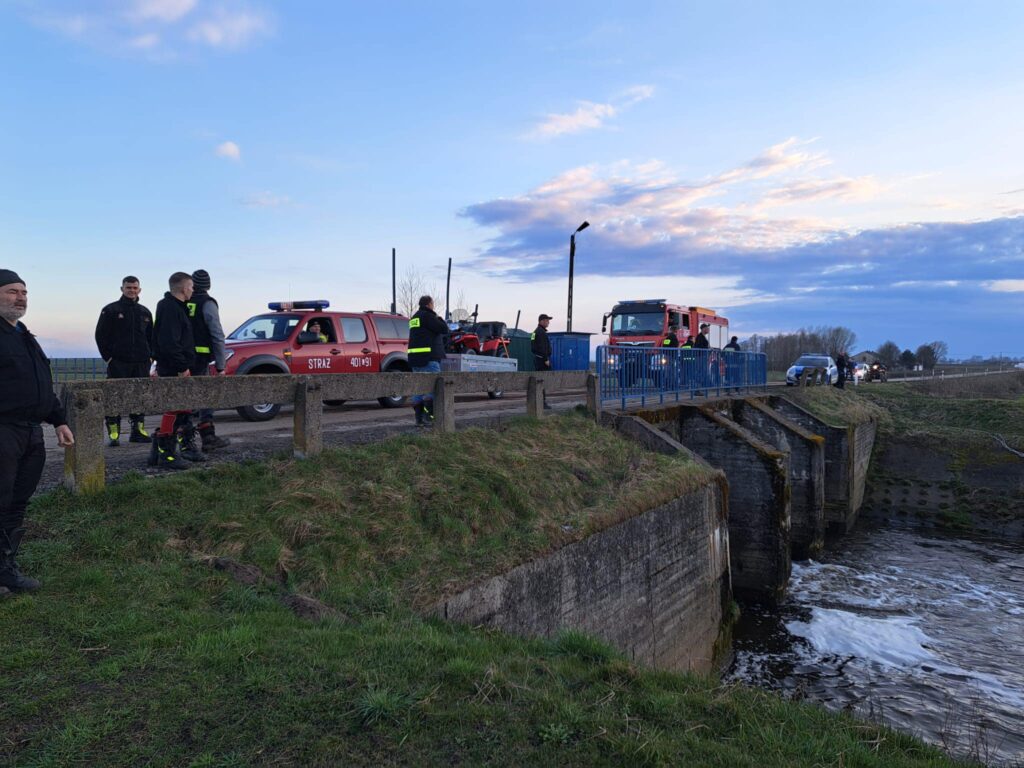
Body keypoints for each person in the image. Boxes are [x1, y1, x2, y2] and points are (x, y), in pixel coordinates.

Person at [0, 270, 75, 592]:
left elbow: (41, 383)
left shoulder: (24, 334)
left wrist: (59, 420)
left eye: (24, 292)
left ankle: (5, 569)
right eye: (12, 291)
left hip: (31, 433)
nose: (20, 298)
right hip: (4, 430)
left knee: (18, 502)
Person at [150, 272, 203, 468]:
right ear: (183, 288)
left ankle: (160, 452)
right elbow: (169, 341)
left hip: (177, 365)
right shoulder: (170, 308)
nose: (192, 290)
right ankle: (167, 454)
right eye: (191, 287)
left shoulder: (177, 307)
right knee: (174, 409)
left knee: (182, 409)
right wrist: (182, 367)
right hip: (174, 368)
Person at [95, 275, 153, 447]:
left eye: (135, 288)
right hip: (118, 362)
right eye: (128, 287)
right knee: (115, 395)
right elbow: (100, 335)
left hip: (141, 362)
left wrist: (151, 356)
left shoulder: (145, 312)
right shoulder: (110, 310)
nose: (132, 291)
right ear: (122, 289)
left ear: (139, 290)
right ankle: (114, 433)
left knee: (139, 396)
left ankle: (138, 431)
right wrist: (109, 358)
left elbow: (152, 336)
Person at [186, 269, 230, 452]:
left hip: (180, 358)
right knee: (206, 395)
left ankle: (184, 440)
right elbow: (217, 334)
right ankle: (208, 436)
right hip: (200, 359)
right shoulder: (207, 303)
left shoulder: (182, 301)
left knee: (183, 398)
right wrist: (221, 365)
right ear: (208, 285)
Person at [407, 295, 448, 427]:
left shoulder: (414, 318)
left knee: (418, 390)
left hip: (415, 359)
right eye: (432, 303)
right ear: (429, 304)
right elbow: (444, 329)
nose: (433, 306)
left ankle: (419, 420)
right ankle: (428, 417)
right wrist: (440, 319)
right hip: (429, 358)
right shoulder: (428, 316)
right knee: (432, 390)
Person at [531, 313, 553, 410]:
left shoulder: (534, 332)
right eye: (547, 321)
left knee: (539, 381)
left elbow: (532, 348)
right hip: (542, 361)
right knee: (542, 381)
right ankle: (542, 403)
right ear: (542, 321)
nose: (548, 322)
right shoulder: (541, 333)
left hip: (537, 359)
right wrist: (545, 359)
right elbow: (542, 347)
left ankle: (539, 401)